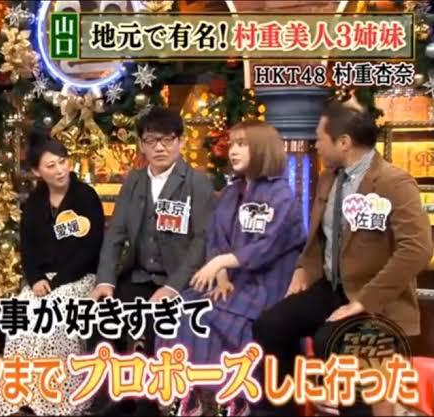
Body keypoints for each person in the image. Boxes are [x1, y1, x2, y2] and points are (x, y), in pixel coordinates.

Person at [252, 102, 434, 416]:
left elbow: (417, 249)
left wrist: (365, 300)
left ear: (344, 142)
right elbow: (320, 239)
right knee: (270, 325)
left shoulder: (394, 182)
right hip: (332, 289)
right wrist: (303, 269)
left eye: (320, 138)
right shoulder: (329, 178)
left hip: (376, 297)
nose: (316, 145)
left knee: (332, 339)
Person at [158, 121, 306, 416]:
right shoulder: (232, 191)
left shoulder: (281, 196)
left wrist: (220, 263)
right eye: (232, 144)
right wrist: (222, 275)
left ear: (262, 149)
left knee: (215, 320)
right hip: (232, 282)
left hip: (263, 286)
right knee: (176, 311)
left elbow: (266, 247)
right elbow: (216, 237)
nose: (233, 151)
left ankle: (235, 396)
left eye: (242, 144)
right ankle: (187, 395)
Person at [89, 107, 217, 416]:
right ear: (141, 145)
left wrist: (172, 288)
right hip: (138, 275)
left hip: (178, 281)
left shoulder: (197, 183)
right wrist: (105, 281)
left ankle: (147, 405)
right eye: (151, 140)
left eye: (167, 140)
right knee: (101, 315)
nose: (159, 147)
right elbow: (115, 234)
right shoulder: (134, 180)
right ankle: (111, 401)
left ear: (180, 142)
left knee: (150, 321)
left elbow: (201, 243)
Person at [0, 131, 105, 416]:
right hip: (43, 281)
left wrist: (58, 282)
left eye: (62, 162)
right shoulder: (34, 203)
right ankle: (22, 401)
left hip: (79, 277)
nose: (59, 170)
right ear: (37, 171)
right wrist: (35, 279)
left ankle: (60, 403)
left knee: (55, 319)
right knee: (20, 318)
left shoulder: (85, 197)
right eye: (51, 165)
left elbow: (91, 247)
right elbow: (27, 249)